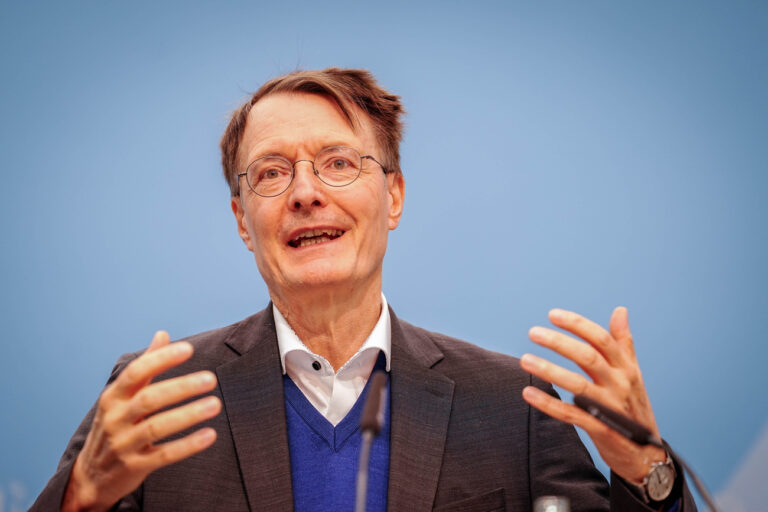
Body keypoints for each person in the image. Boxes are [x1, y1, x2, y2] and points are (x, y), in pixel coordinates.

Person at [32, 68, 696, 511]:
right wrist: (83, 496)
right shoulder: (156, 399)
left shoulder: (511, 407)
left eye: (339, 163)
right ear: (241, 220)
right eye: (270, 173)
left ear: (394, 195)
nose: (305, 192)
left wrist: (647, 469)